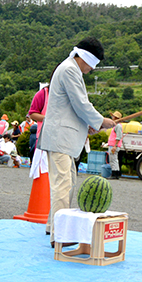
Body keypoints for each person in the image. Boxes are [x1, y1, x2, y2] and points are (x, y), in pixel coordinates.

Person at [37, 37, 116, 246]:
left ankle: (52, 226)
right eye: (93, 64)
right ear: (85, 57)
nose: (92, 69)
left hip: (64, 139)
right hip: (60, 139)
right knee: (63, 186)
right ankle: (60, 235)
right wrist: (101, 121)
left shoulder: (69, 68)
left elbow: (72, 107)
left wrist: (89, 125)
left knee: (67, 184)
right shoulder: (70, 70)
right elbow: (81, 104)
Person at [107, 111, 123, 180]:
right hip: (113, 145)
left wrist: (115, 146)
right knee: (114, 159)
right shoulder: (116, 126)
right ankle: (116, 173)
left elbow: (118, 136)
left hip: (114, 145)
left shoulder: (118, 126)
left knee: (113, 160)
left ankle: (114, 174)